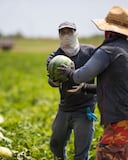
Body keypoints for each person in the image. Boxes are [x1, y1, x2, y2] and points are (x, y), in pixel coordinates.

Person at [57, 6, 128, 160]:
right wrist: (86, 88)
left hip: (120, 120)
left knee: (107, 154)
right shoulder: (125, 50)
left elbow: (81, 75)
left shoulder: (107, 51)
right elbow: (116, 87)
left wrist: (69, 73)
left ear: (108, 31)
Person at [46, 21, 97, 160]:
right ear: (59, 35)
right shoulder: (54, 57)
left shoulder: (90, 52)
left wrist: (85, 86)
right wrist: (55, 81)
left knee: (81, 152)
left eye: (70, 31)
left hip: (85, 108)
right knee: (56, 144)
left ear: (76, 33)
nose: (67, 35)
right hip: (65, 107)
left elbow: (102, 74)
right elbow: (51, 81)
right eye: (63, 32)